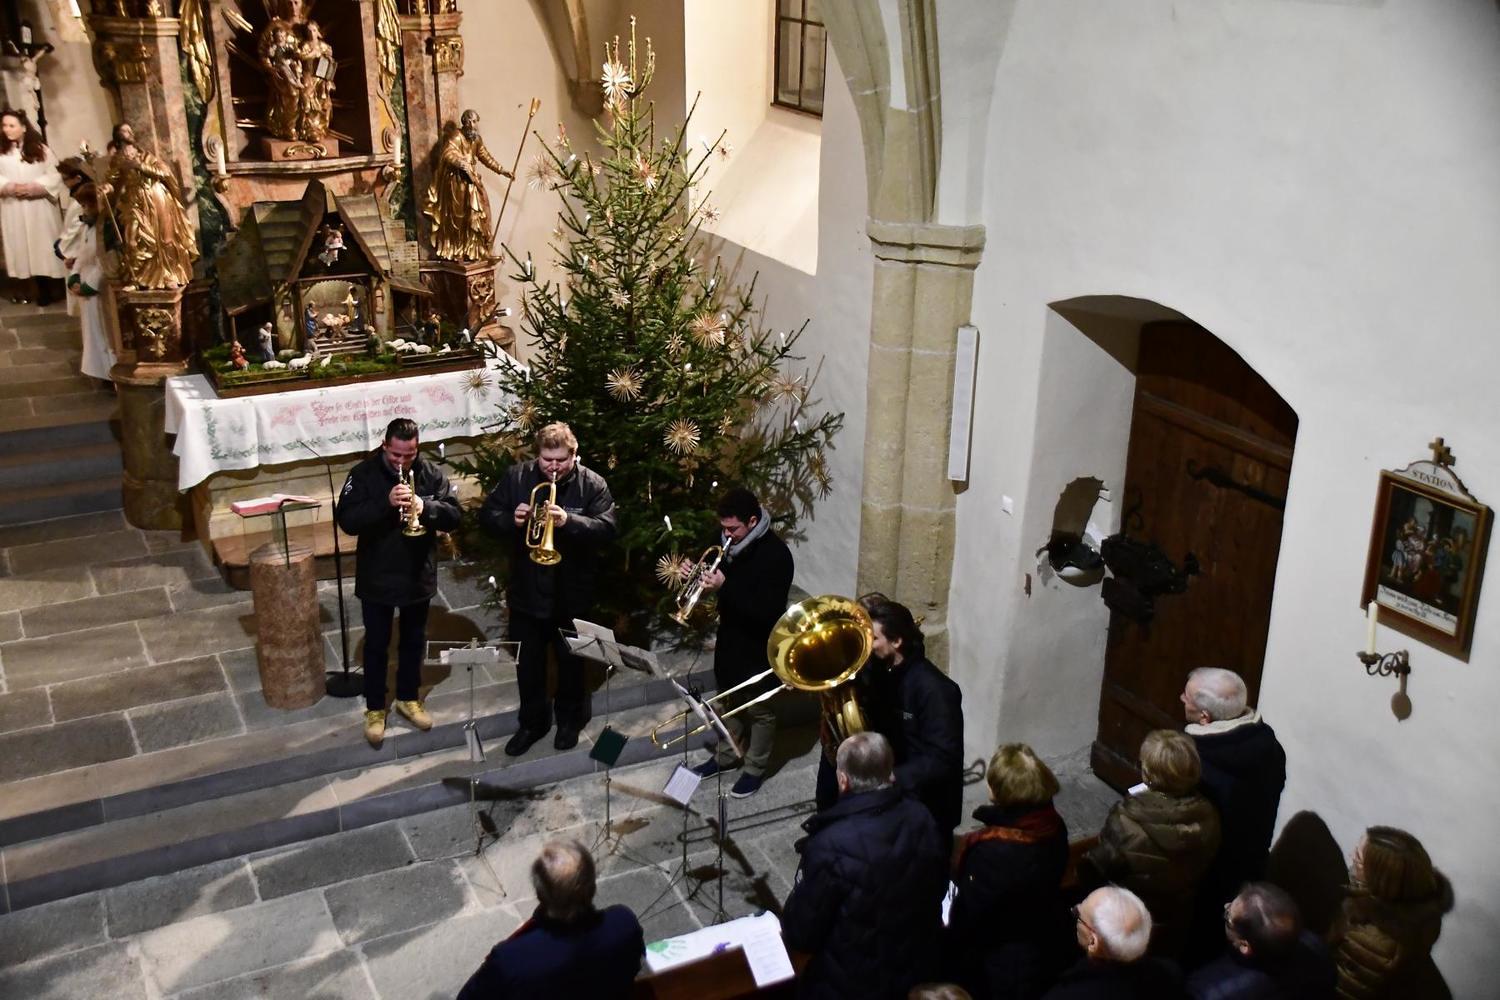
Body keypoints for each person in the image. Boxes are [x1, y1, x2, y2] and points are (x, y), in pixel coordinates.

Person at [479, 421, 616, 755]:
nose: (553, 467)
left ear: (574, 454)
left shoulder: (592, 484)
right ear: (537, 455)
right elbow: (487, 516)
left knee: (571, 662)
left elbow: (608, 528)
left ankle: (570, 721)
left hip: (571, 592)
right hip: (527, 590)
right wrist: (510, 519)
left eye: (561, 460)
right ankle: (532, 723)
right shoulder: (517, 477)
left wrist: (570, 521)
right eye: (546, 460)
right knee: (528, 665)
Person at [782, 732, 949, 1000]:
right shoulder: (921, 816)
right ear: (890, 773)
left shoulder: (830, 844)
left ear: (843, 780)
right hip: (916, 969)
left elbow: (802, 933)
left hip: (852, 983)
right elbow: (939, 888)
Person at [335, 418, 461, 747]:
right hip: (377, 574)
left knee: (413, 641)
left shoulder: (430, 474)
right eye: (396, 455)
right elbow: (347, 520)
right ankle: (376, 708)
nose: (402, 461)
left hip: (417, 572)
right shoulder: (363, 474)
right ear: (385, 446)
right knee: (376, 643)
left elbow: (455, 515)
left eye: (410, 455)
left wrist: (425, 506)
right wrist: (385, 502)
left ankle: (408, 698)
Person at [816, 595, 964, 833]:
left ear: (896, 641)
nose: (867, 645)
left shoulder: (936, 690)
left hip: (920, 804)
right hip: (887, 792)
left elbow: (942, 759)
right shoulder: (878, 669)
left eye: (873, 639)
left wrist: (887, 777)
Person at [946, 743, 1072, 1000]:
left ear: (1000, 791)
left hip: (1000, 956)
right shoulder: (1051, 824)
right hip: (1040, 930)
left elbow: (973, 911)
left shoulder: (994, 851)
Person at [689, 486, 793, 798]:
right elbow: (714, 572)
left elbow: (767, 612)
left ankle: (754, 768)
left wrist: (725, 587)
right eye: (723, 528)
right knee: (727, 701)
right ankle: (726, 756)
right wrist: (695, 575)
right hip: (731, 637)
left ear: (752, 521)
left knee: (760, 710)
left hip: (759, 643)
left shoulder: (776, 555)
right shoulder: (725, 540)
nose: (726, 535)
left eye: (732, 529)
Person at [1082, 729, 1221, 959]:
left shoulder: (1127, 820)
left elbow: (1099, 866)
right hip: (1178, 916)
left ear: (1149, 773)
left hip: (1129, 919)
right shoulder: (1209, 815)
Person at [1181, 666, 1287, 964]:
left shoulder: (1198, 762)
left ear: (1205, 717)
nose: (1181, 698)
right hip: (1250, 859)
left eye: (1187, 696)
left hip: (1209, 869)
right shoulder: (1269, 745)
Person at [456, 839, 643, 999]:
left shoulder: (510, 960)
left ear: (539, 894)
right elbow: (633, 967)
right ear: (592, 887)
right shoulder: (623, 923)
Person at [1330, 826, 1453, 1000]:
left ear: (1380, 880)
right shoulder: (1417, 923)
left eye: (1358, 858)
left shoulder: (1371, 946)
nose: (1350, 856)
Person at [1187, 882, 1336, 999]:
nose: (1226, 905)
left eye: (1228, 915)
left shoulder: (1208, 990)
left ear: (1244, 945)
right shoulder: (1318, 950)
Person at [100, 122, 198, 290]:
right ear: (118, 136)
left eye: (130, 130)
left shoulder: (145, 155)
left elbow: (164, 172)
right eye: (125, 131)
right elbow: (112, 180)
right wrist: (106, 187)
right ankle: (136, 278)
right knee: (132, 240)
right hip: (134, 202)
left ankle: (168, 274)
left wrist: (140, 166)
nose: (130, 133)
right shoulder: (118, 159)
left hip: (157, 198)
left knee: (164, 238)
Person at [1041, 887, 1185, 999]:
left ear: (1093, 942)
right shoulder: (1169, 974)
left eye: (1077, 914)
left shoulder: (1064, 995)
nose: (1077, 907)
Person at [424, 109, 513, 261]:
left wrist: (501, 170)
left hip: (471, 182)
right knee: (459, 218)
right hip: (457, 183)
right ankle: (457, 249)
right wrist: (460, 162)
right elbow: (447, 153)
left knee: (479, 213)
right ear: (464, 122)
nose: (472, 125)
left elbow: (485, 156)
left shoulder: (476, 139)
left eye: (475, 122)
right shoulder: (456, 136)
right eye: (469, 122)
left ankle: (476, 250)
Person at [0, 108, 64, 305]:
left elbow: (54, 174)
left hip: (38, 207)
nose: (7, 129)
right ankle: (26, 289)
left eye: (11, 125)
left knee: (42, 246)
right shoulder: (2, 152)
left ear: (24, 127)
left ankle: (51, 288)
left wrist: (34, 187)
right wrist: (9, 187)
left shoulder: (41, 150)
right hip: (14, 207)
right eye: (4, 126)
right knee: (21, 248)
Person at [62, 183, 114, 383]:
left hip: (99, 291)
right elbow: (83, 254)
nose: (84, 210)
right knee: (92, 333)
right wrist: (74, 274)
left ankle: (109, 372)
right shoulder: (87, 226)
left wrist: (89, 286)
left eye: (87, 206)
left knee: (104, 332)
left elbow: (104, 261)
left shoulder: (105, 230)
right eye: (82, 206)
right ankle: (98, 370)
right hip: (86, 286)